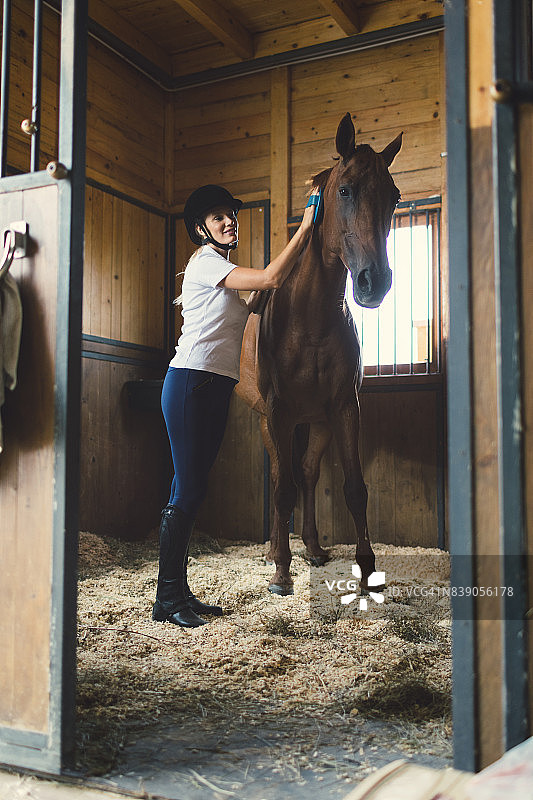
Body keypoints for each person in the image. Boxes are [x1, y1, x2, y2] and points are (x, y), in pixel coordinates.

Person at [152, 184, 317, 628]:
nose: (229, 221)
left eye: (231, 215)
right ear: (201, 229)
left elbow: (258, 299)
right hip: (190, 383)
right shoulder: (206, 263)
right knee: (187, 488)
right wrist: (306, 225)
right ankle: (167, 598)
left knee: (191, 487)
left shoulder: (221, 270)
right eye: (218, 217)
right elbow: (269, 279)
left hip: (212, 386)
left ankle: (177, 593)